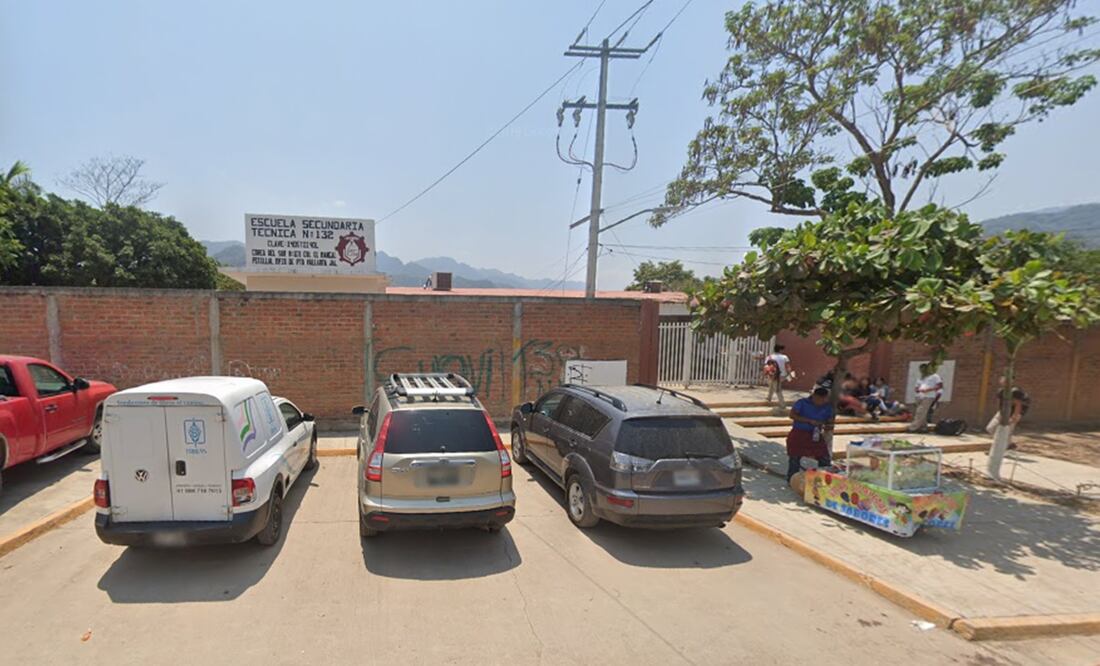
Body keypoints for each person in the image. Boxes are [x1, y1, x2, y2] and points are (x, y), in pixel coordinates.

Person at [786, 387, 835, 481]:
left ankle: (824, 479)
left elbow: (829, 420)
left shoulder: (827, 406)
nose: (822, 401)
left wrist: (827, 424)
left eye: (825, 399)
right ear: (815, 396)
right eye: (821, 399)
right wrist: (809, 421)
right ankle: (792, 479)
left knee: (824, 457)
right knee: (794, 457)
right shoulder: (802, 403)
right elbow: (792, 415)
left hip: (815, 435)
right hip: (799, 433)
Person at [986, 377, 1030, 480]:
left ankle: (1000, 450)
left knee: (1006, 431)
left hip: (1016, 412)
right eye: (1002, 380)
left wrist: (1014, 417)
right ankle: (1009, 444)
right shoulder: (1001, 391)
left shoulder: (1015, 392)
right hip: (1004, 411)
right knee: (990, 428)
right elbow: (1000, 403)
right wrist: (1001, 414)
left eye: (1005, 381)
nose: (1002, 382)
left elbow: (1018, 405)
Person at [907, 363, 943, 432]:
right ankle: (923, 428)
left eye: (923, 369)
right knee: (923, 413)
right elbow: (916, 388)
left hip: (928, 396)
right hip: (919, 396)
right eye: (920, 369)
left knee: (920, 412)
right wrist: (918, 389)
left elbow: (939, 386)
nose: (922, 370)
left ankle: (912, 428)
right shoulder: (920, 378)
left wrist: (928, 390)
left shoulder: (935, 376)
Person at [764, 344, 793, 410]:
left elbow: (766, 366)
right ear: (780, 350)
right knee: (777, 388)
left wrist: (767, 374)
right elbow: (788, 367)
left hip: (771, 375)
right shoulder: (784, 357)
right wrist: (789, 374)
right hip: (781, 375)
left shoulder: (769, 357)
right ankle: (782, 404)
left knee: (773, 385)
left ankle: (769, 398)